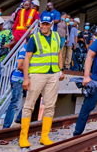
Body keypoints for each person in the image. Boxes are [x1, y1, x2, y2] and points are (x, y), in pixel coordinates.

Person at [18, 15, 65, 148]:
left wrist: (61, 69)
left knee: (50, 106)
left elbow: (59, 53)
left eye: (46, 24)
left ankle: (44, 136)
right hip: (37, 75)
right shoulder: (34, 38)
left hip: (53, 74)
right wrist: (26, 78)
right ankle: (23, 137)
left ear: (51, 25)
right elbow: (27, 59)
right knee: (29, 105)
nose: (43, 26)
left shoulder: (56, 37)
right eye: (42, 24)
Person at [3, 44, 26, 128]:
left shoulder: (29, 51)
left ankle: (18, 119)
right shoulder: (24, 51)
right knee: (15, 103)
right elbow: (19, 66)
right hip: (18, 80)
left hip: (23, 79)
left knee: (29, 101)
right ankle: (6, 127)